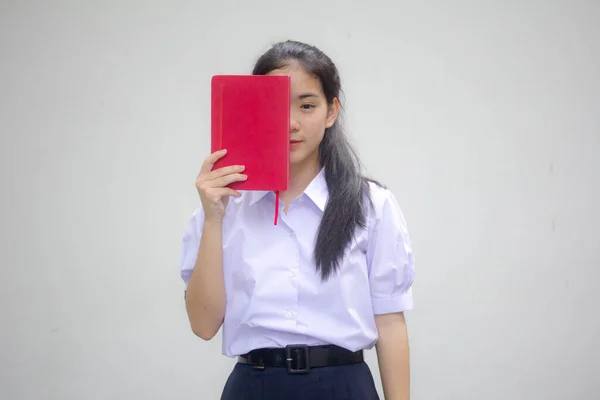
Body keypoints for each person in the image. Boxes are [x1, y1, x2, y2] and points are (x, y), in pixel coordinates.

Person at [179, 40, 415, 400]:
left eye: (307, 106)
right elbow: (203, 325)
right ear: (253, 108)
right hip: (253, 386)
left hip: (343, 385)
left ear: (331, 111)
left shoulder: (372, 205)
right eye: (274, 106)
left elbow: (389, 321)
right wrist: (213, 220)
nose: (291, 123)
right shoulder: (224, 207)